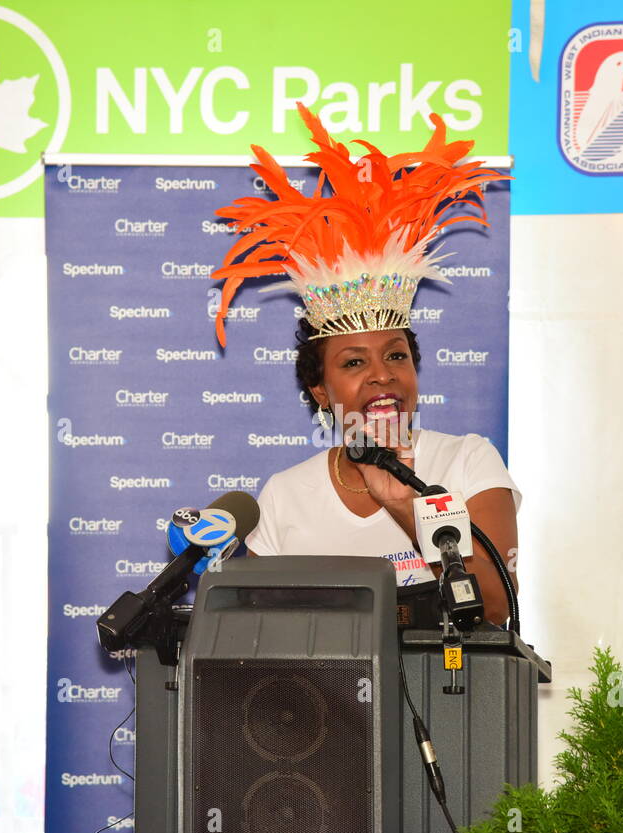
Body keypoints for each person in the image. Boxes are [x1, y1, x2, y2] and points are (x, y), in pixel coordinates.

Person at [210, 103, 519, 626]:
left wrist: (404, 506)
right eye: (354, 362)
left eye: (397, 355)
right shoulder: (286, 495)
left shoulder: (466, 462)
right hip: (314, 709)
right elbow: (250, 635)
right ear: (322, 392)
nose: (382, 374)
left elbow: (495, 609)